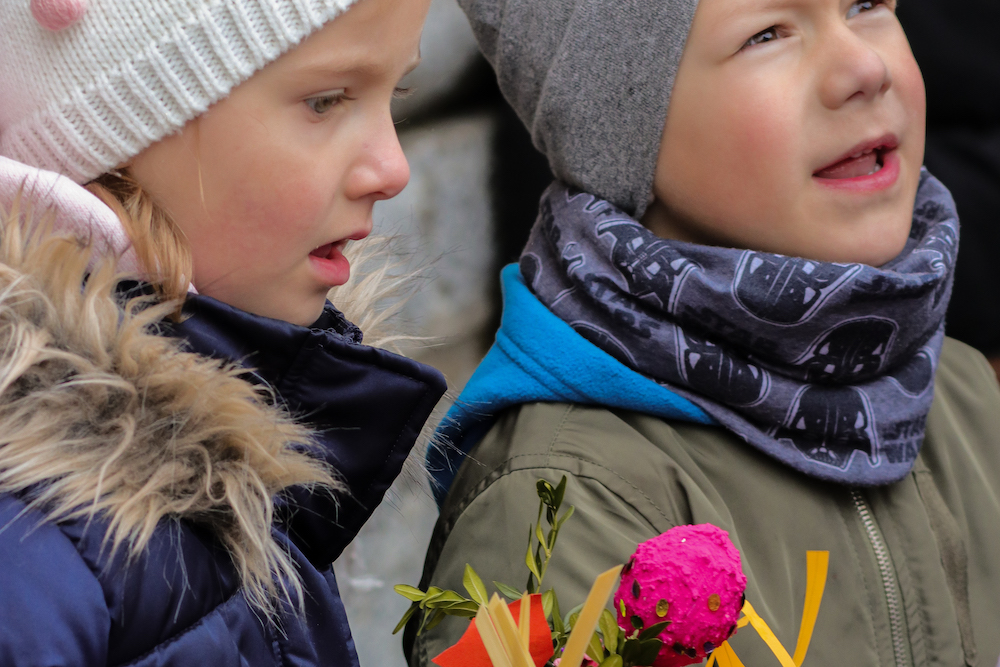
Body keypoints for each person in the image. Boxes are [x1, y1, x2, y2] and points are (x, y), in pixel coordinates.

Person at [408, 0, 1000, 664]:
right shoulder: (563, 504)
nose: (863, 67)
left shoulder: (966, 392)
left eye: (865, 4)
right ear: (621, 122)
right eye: (767, 34)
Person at [0, 0, 443, 665]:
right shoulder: (31, 555)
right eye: (325, 101)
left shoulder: (246, 411)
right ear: (124, 127)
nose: (393, 168)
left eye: (396, 91)